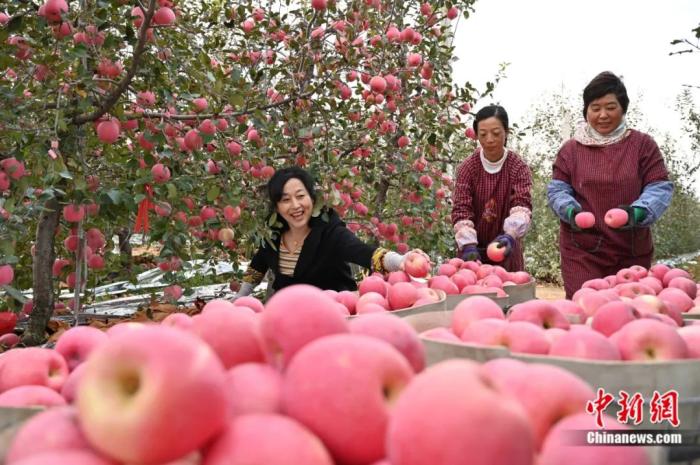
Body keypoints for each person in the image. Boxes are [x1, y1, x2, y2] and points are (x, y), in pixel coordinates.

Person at [547, 71, 674, 298]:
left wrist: (637, 212)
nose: (603, 115)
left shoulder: (642, 145)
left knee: (630, 309)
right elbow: (557, 189)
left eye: (610, 107)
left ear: (623, 108)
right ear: (586, 111)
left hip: (630, 249)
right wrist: (570, 211)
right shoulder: (571, 150)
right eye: (595, 108)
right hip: (582, 251)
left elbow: (659, 187)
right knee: (585, 306)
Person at [235, 166, 430, 297]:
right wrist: (240, 298)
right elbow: (257, 267)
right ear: (277, 207)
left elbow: (365, 253)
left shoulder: (330, 233)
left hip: (336, 317)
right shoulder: (273, 236)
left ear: (312, 199)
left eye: (300, 196)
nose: (295, 205)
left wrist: (401, 261)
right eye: (285, 200)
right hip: (288, 321)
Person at [451, 105, 533, 272]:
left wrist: (510, 234)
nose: (489, 139)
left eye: (495, 133)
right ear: (476, 135)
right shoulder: (468, 168)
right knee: (472, 286)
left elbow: (522, 204)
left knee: (508, 286)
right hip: (472, 253)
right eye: (483, 134)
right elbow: (461, 209)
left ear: (506, 132)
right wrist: (468, 244)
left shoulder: (518, 167)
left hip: (506, 249)